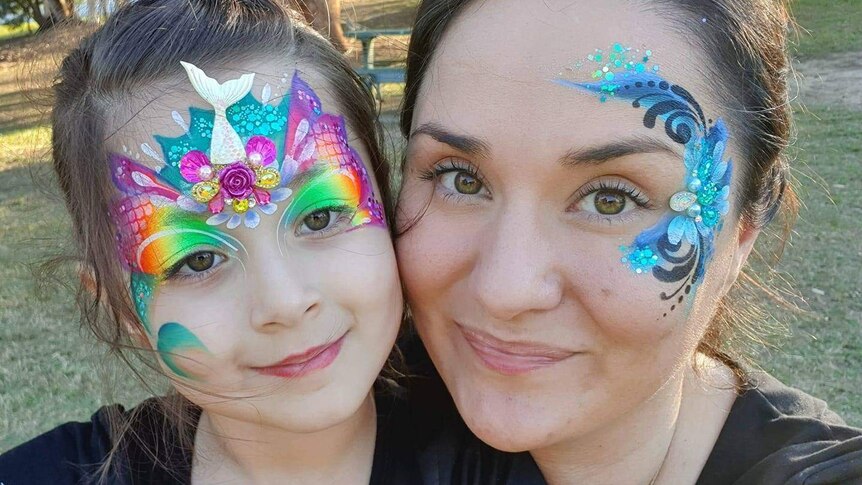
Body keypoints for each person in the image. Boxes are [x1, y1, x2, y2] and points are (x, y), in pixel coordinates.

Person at [396, 0, 862, 483]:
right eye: (460, 179)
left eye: (610, 200)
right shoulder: (348, 412)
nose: (505, 289)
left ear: (744, 229)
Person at [0, 1, 418, 483]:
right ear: (121, 309)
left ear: (388, 207)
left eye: (321, 216)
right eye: (197, 259)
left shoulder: (506, 451)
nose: (283, 302)